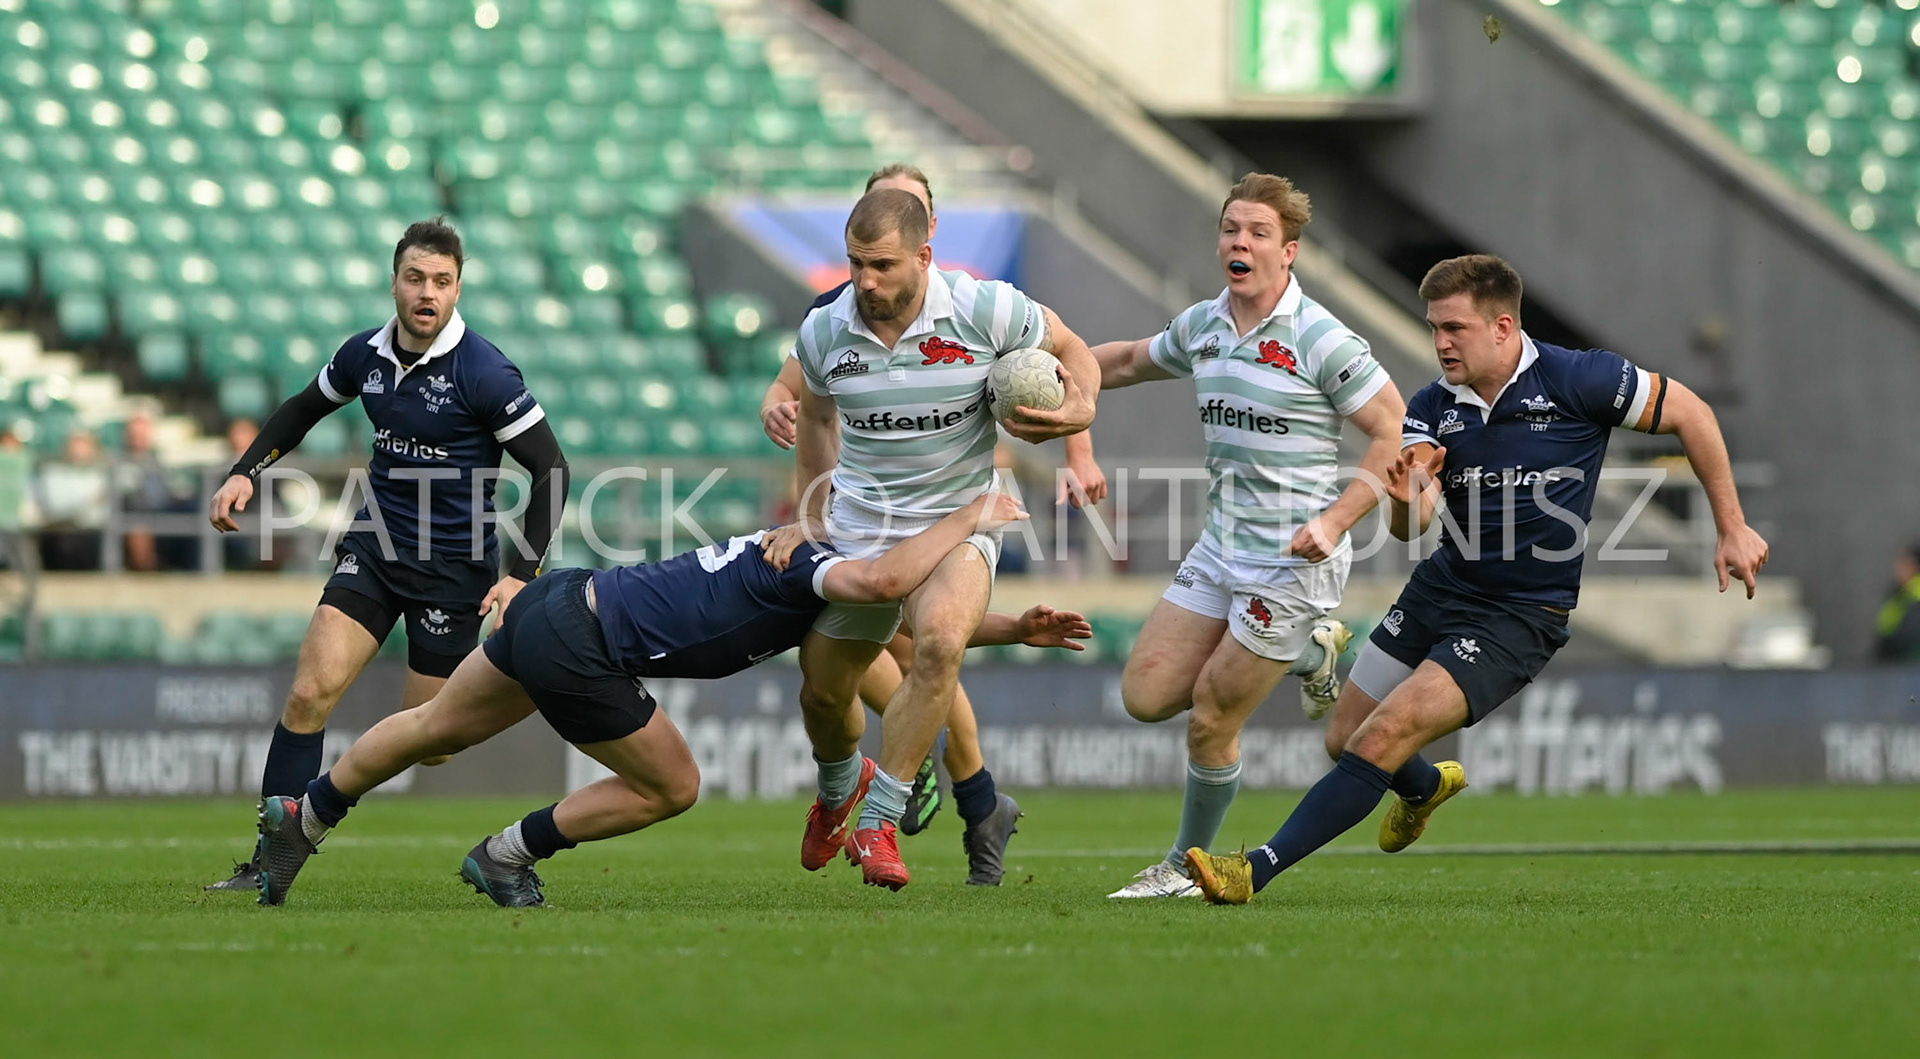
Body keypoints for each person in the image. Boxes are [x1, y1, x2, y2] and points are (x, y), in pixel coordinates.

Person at [1184, 254, 1771, 904]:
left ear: (1502, 326)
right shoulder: (1433, 407)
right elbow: (1412, 527)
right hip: (1442, 589)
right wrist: (1410, 491)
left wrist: (1732, 526)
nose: (1439, 343)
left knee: (1381, 734)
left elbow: (1693, 414)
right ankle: (1422, 787)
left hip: (1521, 614)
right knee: (1342, 736)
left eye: (1454, 328)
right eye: (1434, 327)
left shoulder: (1583, 378)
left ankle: (1253, 871)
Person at [250, 491, 1091, 906]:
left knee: (431, 725)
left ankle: (306, 816)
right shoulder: (808, 559)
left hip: (562, 599)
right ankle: (507, 854)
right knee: (674, 785)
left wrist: (1015, 625)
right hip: (585, 641)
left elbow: (908, 625)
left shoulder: (828, 581)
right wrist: (966, 517)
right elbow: (883, 578)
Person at [203, 218, 571, 892]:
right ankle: (268, 859)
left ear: (459, 289)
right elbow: (302, 408)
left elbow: (550, 466)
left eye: (441, 281)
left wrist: (521, 573)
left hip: (452, 573)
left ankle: (525, 680)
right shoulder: (364, 355)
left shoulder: (483, 371)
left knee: (435, 744)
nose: (426, 293)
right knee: (310, 690)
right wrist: (244, 470)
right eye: (415, 278)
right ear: (394, 281)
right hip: (374, 549)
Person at [759, 163, 1106, 852]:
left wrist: (1081, 413)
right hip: (864, 531)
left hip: (961, 521)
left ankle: (882, 817)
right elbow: (816, 418)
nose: (863, 280)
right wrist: (810, 514)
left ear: (925, 251)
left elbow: (1072, 349)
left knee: (939, 642)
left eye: (880, 265)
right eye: (855, 263)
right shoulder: (828, 326)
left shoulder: (988, 308)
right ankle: (843, 788)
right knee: (824, 696)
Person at [1090, 173, 1406, 899]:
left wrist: (1335, 519)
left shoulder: (1321, 337)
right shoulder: (1205, 324)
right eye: (1231, 228)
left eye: (1259, 232)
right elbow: (1132, 360)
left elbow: (1393, 428)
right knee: (1144, 694)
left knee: (1210, 714)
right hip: (1221, 547)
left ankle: (1182, 866)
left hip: (1293, 562)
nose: (1240, 241)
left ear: (1288, 252)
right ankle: (1310, 652)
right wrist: (1059, 369)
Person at [1874, 543, 1920, 662]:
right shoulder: (1900, 591)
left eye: (1903, 563)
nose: (1897, 568)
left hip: (1907, 664)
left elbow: (1909, 637)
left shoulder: (1915, 594)